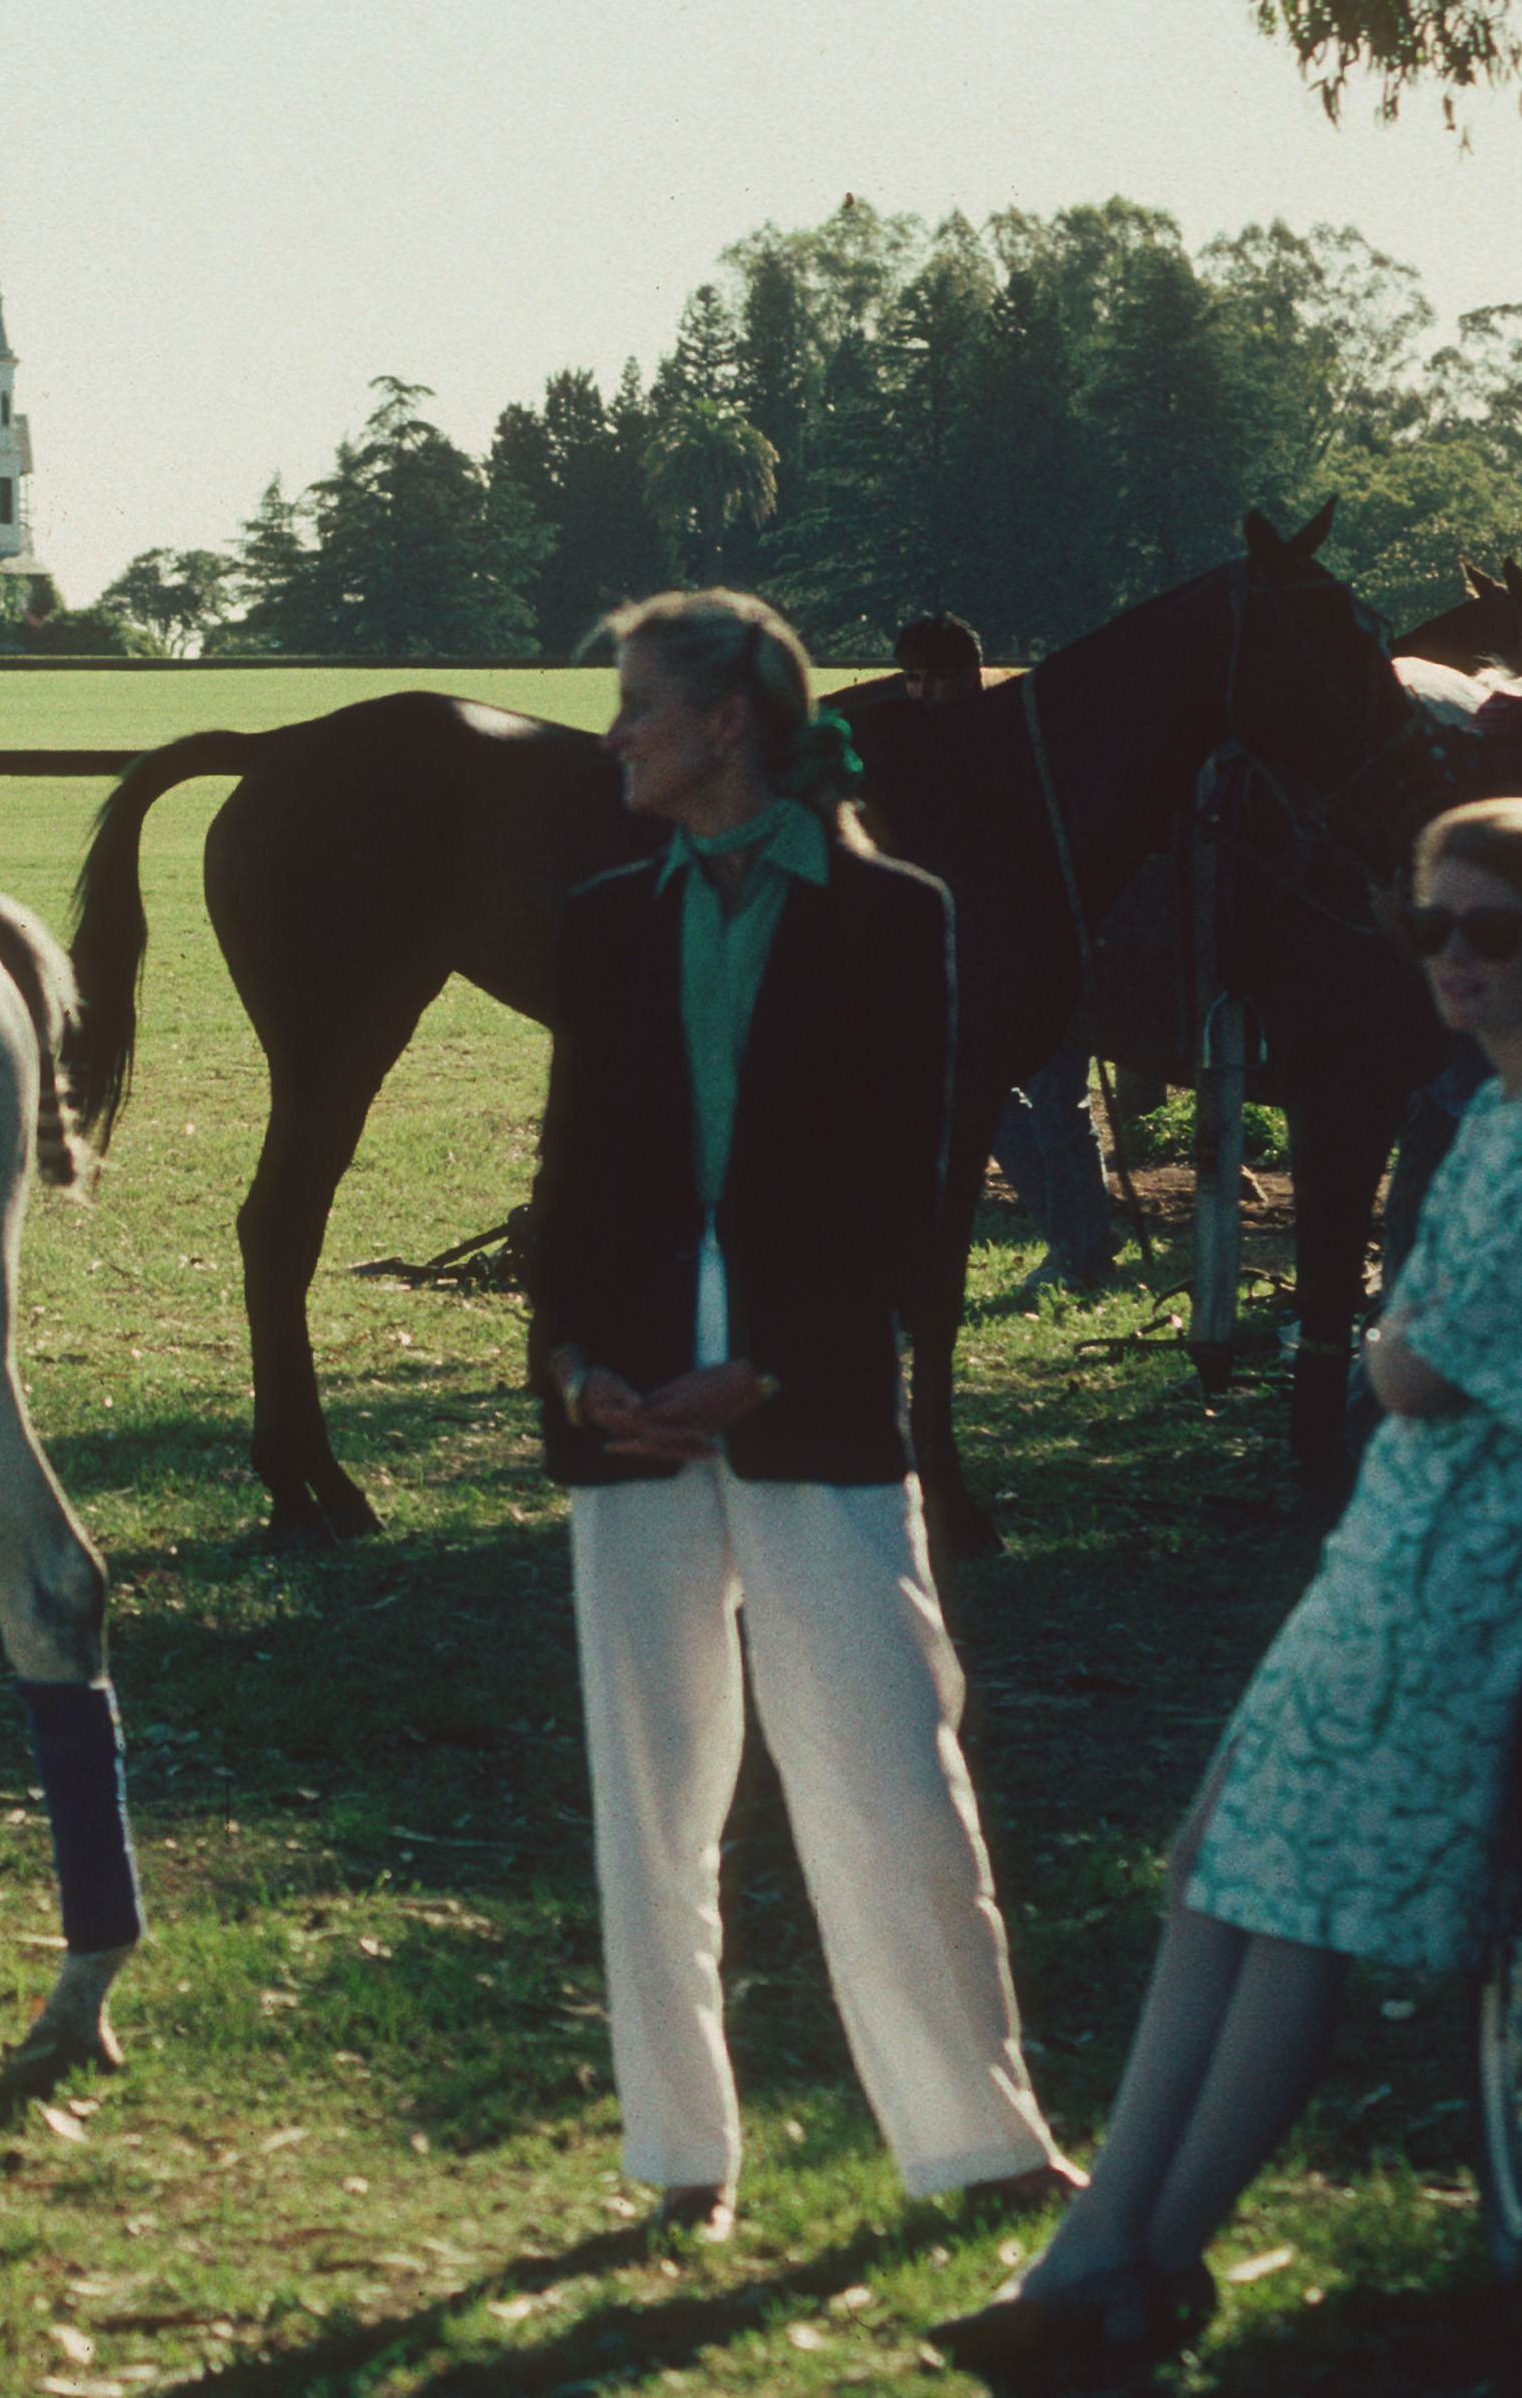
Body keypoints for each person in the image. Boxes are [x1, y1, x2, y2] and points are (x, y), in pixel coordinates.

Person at [931, 797, 1522, 2388]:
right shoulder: (1505, 1117)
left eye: (1489, 930)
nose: (1450, 957)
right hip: (1397, 1560)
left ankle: (1135, 2266)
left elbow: (1428, 1369)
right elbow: (1413, 1351)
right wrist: (1392, 1329)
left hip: (1476, 1585)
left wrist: (1387, 1328)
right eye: (1428, 926)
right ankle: (1106, 2251)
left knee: (1283, 1907)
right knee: (1209, 1872)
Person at [530, 589, 1074, 2241]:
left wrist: (758, 1362)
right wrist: (572, 1365)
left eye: (638, 703)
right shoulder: (600, 917)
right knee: (650, 1780)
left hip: (807, 1384)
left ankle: (977, 2141)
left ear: (723, 723)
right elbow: (565, 1180)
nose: (614, 731)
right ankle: (677, 2151)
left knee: (886, 1767)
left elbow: (894, 1187)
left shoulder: (893, 915)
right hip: (620, 1395)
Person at [896, 612, 1118, 1298]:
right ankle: (1077, 1240)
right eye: (916, 680)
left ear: (973, 672)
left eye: (941, 678)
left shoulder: (1020, 734)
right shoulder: (927, 743)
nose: (928, 693)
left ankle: (1082, 1250)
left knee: (1057, 1100)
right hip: (985, 956)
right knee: (989, 1101)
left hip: (1048, 949)